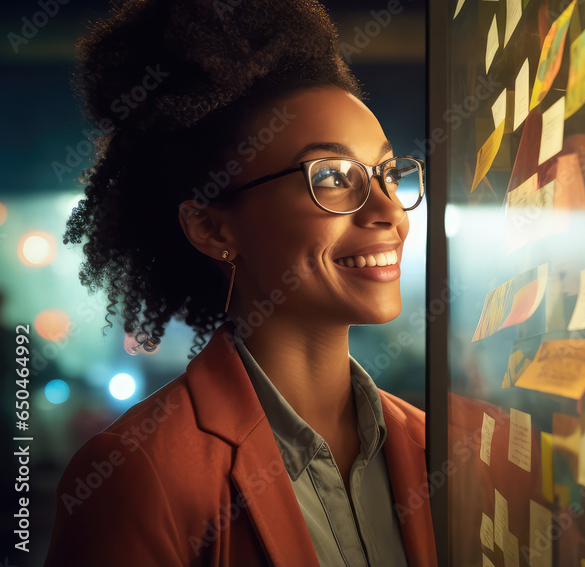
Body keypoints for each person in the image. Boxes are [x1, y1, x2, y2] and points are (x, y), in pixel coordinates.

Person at [44, 0, 435, 565]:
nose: (389, 212)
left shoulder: (434, 446)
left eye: (385, 173)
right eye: (330, 176)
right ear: (210, 226)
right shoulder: (137, 472)